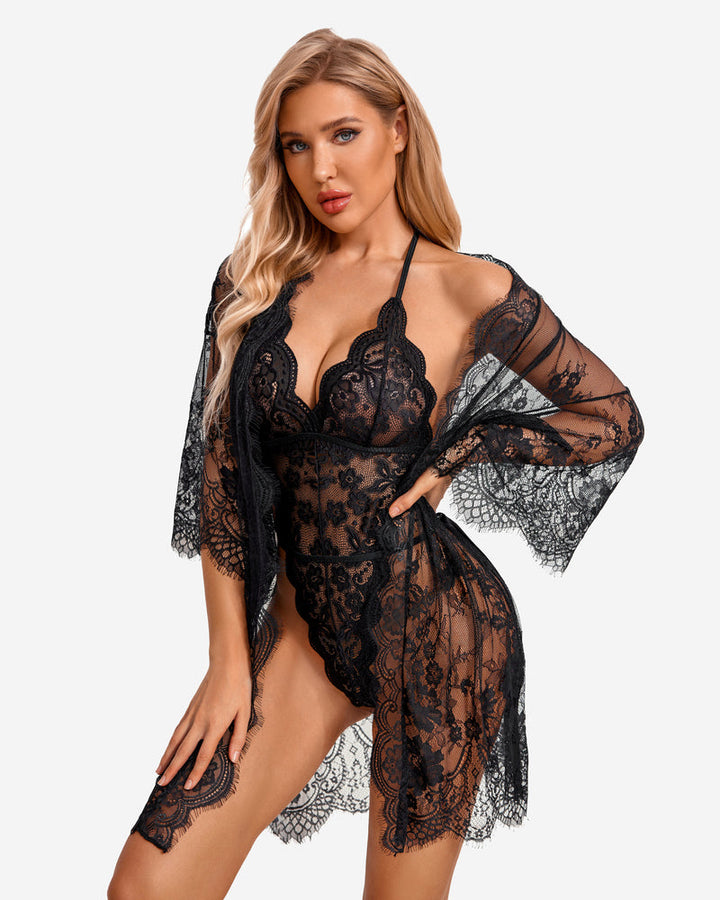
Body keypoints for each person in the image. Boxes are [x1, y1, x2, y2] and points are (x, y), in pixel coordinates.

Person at [108, 27, 644, 900]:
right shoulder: (252, 283)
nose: (321, 169)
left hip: (437, 631)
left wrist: (470, 445)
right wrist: (227, 661)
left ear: (398, 129)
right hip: (302, 639)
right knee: (147, 888)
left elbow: (613, 417)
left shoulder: (467, 286)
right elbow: (218, 480)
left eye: (344, 134)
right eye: (297, 145)